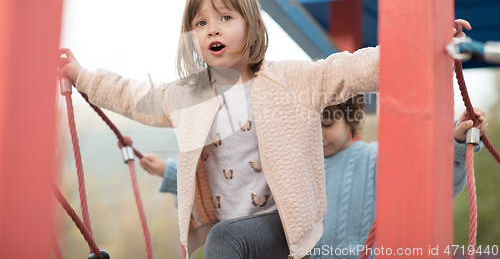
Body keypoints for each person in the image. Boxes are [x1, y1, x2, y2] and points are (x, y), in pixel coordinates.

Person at [58, 0, 468, 259]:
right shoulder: (188, 97)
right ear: (192, 38)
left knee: (222, 241)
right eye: (201, 23)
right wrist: (82, 75)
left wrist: (422, 42)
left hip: (280, 225)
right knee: (225, 238)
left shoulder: (289, 80)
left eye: (224, 18)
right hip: (235, 234)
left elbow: (350, 69)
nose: (212, 29)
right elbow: (133, 95)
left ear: (251, 27)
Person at [141, 98, 488, 259]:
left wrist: (457, 143)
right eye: (309, 128)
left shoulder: (371, 158)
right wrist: (168, 172)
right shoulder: (291, 164)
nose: (318, 136)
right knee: (227, 238)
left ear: (352, 124)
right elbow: (232, 186)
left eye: (327, 125)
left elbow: (430, 180)